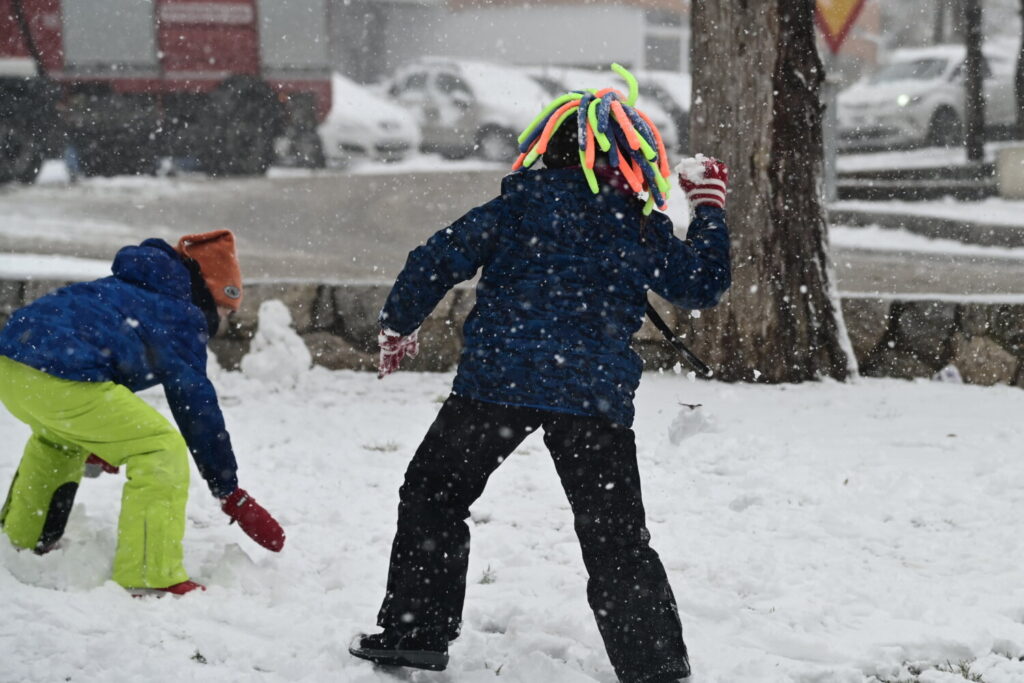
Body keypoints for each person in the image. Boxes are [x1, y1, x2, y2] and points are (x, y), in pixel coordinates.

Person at [349, 66, 731, 683]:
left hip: (495, 388)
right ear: (634, 155)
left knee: (433, 495)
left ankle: (415, 633)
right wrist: (708, 210)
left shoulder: (515, 207)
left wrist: (399, 325)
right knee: (616, 541)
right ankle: (654, 665)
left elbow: (434, 259)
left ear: (548, 147)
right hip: (592, 400)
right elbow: (702, 286)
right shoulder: (638, 224)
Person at [0, 230, 285, 595]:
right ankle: (151, 573)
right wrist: (228, 489)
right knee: (158, 447)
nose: (224, 323)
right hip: (62, 375)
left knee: (57, 441)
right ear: (212, 293)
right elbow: (196, 405)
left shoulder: (137, 289)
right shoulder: (182, 314)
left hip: (13, 364)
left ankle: (23, 539)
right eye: (226, 311)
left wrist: (99, 436)